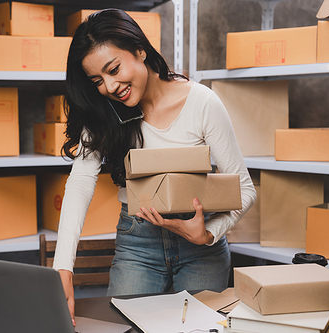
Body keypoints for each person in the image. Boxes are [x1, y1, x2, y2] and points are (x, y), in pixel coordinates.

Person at [53, 8, 256, 325]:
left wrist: (207, 234)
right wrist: (62, 268)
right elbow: (79, 183)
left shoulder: (201, 102)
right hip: (138, 245)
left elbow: (245, 189)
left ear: (140, 50)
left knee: (200, 330)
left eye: (114, 68)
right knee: (125, 328)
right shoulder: (103, 112)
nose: (109, 86)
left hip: (200, 248)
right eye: (97, 80)